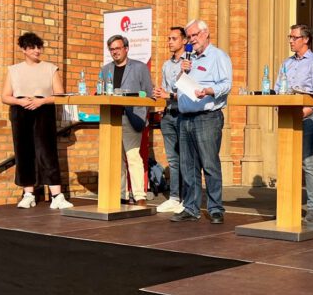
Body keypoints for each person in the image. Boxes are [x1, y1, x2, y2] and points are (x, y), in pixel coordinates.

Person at [0, 32, 73, 209]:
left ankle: (57, 196)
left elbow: (60, 95)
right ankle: (28, 194)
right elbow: (5, 96)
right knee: (24, 152)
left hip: (43, 110)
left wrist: (41, 101)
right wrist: (20, 101)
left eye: (39, 47)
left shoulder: (50, 68)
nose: (37, 51)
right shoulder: (14, 70)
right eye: (32, 47)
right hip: (21, 110)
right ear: (23, 49)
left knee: (47, 151)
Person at [171, 19, 232, 225]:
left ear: (206, 34)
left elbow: (227, 84)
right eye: (189, 36)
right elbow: (175, 86)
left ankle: (215, 208)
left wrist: (208, 90)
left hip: (207, 117)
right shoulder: (188, 59)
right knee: (188, 166)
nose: (191, 39)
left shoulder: (218, 56)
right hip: (185, 117)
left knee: (209, 164)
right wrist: (183, 71)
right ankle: (191, 207)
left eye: (195, 35)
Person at [280, 24, 313, 223]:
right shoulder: (287, 63)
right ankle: (286, 206)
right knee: (286, 162)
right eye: (289, 37)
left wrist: (301, 113)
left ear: (306, 39)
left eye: (294, 37)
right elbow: (278, 89)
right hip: (286, 118)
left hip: (307, 119)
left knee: (307, 163)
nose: (291, 40)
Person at [99, 35, 154, 204]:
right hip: (111, 118)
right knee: (117, 159)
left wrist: (144, 116)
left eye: (118, 48)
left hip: (132, 118)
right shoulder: (105, 69)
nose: (115, 52)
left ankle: (139, 196)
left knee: (132, 156)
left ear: (126, 49)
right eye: (112, 49)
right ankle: (121, 194)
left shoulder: (139, 67)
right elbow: (101, 91)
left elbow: (148, 94)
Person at [151, 26, 187, 214]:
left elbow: (189, 92)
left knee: (186, 159)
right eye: (169, 38)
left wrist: (169, 94)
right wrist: (159, 94)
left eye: (174, 38)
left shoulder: (190, 62)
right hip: (169, 115)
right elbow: (164, 92)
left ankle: (187, 198)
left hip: (185, 115)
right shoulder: (166, 65)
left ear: (184, 41)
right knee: (173, 160)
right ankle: (174, 198)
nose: (170, 42)